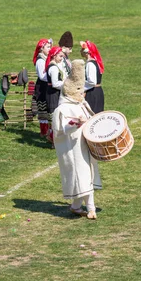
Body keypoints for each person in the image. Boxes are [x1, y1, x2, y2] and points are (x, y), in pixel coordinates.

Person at [53, 59, 102, 220]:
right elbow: (61, 130)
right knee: (82, 175)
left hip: (84, 145)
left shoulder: (82, 104)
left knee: (86, 175)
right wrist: (76, 124)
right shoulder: (62, 109)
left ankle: (75, 206)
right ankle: (91, 209)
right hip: (72, 149)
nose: (83, 94)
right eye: (80, 91)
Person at [45, 46, 66, 143]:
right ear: (54, 56)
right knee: (54, 115)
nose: (62, 58)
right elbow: (55, 83)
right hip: (53, 93)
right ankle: (53, 139)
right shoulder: (53, 68)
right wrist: (66, 84)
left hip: (55, 92)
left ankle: (54, 138)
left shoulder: (55, 66)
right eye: (60, 56)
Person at [33, 38, 52, 138]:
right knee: (43, 109)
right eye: (48, 47)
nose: (50, 49)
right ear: (41, 49)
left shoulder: (46, 58)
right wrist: (52, 79)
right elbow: (42, 76)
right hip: (43, 87)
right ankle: (44, 132)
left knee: (49, 109)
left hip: (47, 85)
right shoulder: (40, 60)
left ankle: (49, 132)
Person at [80, 40, 105, 114]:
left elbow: (92, 82)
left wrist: (81, 88)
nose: (80, 51)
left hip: (92, 93)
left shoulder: (90, 64)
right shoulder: (95, 62)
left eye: (82, 49)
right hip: (97, 91)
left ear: (87, 52)